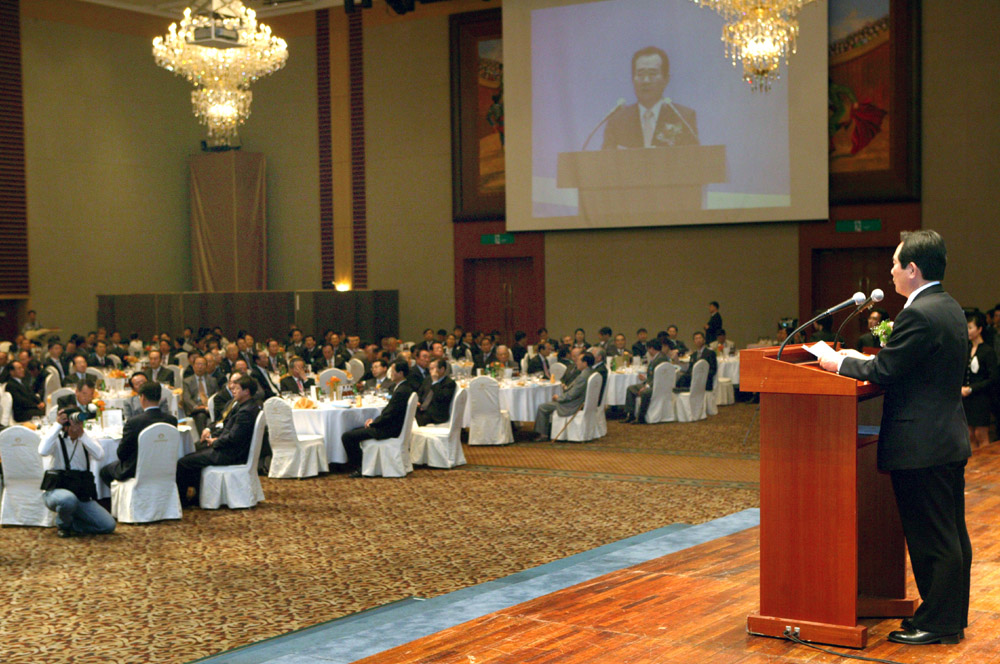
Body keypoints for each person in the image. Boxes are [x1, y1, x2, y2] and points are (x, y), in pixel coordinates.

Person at [818, 230, 971, 646]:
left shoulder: (920, 314)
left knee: (932, 537)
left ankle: (938, 623)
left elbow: (885, 373)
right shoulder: (950, 307)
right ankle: (948, 616)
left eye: (895, 263)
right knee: (950, 532)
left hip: (922, 444)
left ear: (912, 269)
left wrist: (838, 364)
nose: (890, 270)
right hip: (944, 437)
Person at [176, 375, 261, 506]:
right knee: (194, 449)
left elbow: (234, 437)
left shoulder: (246, 412)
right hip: (230, 447)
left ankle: (182, 501)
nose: (233, 390)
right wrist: (214, 438)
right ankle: (199, 495)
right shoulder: (245, 405)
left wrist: (216, 442)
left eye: (237, 389)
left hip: (231, 454)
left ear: (246, 391)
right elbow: (227, 427)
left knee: (183, 462)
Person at [601, 46, 698, 149]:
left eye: (652, 74)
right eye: (640, 74)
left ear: (666, 80)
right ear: (633, 79)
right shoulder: (617, 121)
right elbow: (606, 162)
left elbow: (693, 160)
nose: (646, 80)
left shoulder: (683, 118)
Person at [39, 407, 116, 537]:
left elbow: (99, 455)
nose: (77, 426)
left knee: (108, 525)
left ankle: (73, 524)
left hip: (80, 493)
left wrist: (82, 435)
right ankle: (63, 525)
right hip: (56, 491)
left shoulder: (86, 439)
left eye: (79, 422)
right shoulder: (56, 439)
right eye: (73, 422)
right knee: (68, 500)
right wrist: (57, 425)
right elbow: (42, 451)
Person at [341, 360, 415, 477]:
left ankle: (359, 466)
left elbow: (389, 414)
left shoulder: (401, 391)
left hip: (389, 429)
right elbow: (389, 413)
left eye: (393, 371)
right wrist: (374, 421)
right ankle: (362, 464)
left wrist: (374, 423)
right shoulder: (404, 387)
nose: (390, 373)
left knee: (347, 436)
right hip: (391, 426)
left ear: (400, 373)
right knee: (354, 431)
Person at [99, 381, 177, 487]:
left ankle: (123, 500)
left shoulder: (134, 422)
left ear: (142, 397)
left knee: (104, 471)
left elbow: (122, 453)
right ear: (159, 397)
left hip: (136, 470)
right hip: (163, 468)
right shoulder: (171, 420)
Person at [532, 352, 594, 441]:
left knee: (543, 407)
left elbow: (571, 395)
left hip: (572, 405)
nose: (576, 362)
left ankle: (543, 434)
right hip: (580, 402)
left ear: (585, 363)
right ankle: (548, 429)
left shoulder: (583, 377)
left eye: (579, 360)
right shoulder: (590, 373)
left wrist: (558, 398)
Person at [963, 311, 997, 450]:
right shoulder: (967, 348)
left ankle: (985, 466)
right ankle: (973, 467)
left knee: (980, 434)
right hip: (966, 398)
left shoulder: (987, 351)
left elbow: (993, 378)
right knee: (969, 434)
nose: (968, 331)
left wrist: (972, 388)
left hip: (981, 398)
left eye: (970, 327)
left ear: (979, 329)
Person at [624, 339, 667, 424]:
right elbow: (654, 375)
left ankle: (641, 417)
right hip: (651, 383)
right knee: (631, 389)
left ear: (651, 349)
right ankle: (631, 414)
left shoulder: (660, 359)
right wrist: (646, 379)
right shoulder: (657, 357)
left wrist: (646, 386)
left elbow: (659, 378)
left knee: (645, 393)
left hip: (657, 386)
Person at [182, 355, 218, 435]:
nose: (200, 367)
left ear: (206, 366)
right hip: (196, 408)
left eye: (202, 364)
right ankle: (203, 438)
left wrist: (210, 406)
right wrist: (196, 407)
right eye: (198, 364)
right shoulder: (187, 381)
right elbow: (186, 398)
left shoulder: (212, 380)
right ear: (193, 366)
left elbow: (216, 396)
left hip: (209, 407)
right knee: (201, 415)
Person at [415, 358, 456, 426]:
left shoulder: (449, 383)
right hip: (423, 410)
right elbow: (420, 392)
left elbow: (441, 397)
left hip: (436, 415)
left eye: (432, 369)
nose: (430, 371)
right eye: (430, 369)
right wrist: (418, 401)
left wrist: (435, 382)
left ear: (442, 369)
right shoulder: (428, 379)